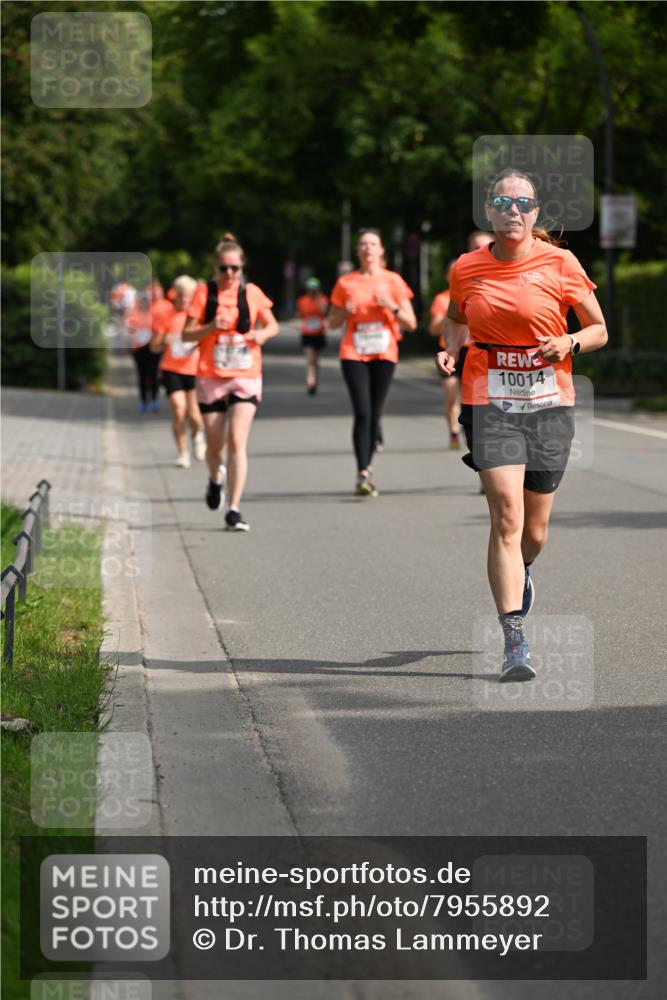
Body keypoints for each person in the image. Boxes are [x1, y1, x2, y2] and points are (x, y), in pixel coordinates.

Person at [436, 168, 607, 682]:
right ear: (488, 211)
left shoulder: (561, 262)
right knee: (507, 517)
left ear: (535, 213)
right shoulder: (467, 267)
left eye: (522, 203)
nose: (512, 210)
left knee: (534, 530)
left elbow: (598, 328)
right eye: (501, 201)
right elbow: (453, 317)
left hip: (550, 401)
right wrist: (449, 350)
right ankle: (514, 641)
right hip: (488, 396)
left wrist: (570, 342)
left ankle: (524, 570)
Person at [183, 233, 279, 531]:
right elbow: (187, 334)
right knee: (215, 446)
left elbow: (271, 324)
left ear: (242, 268)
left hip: (245, 374)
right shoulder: (203, 294)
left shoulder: (252, 293)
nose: (229, 274)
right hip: (211, 375)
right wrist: (211, 327)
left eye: (234, 269)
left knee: (237, 440)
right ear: (216, 268)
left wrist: (260, 335)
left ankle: (234, 508)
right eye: (224, 268)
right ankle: (215, 479)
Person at [327, 228, 416, 496]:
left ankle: (372, 443)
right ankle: (363, 472)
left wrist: (391, 305)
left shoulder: (393, 281)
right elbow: (330, 323)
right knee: (362, 412)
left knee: (375, 413)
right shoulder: (346, 283)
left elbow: (410, 323)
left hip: (384, 353)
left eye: (372, 244)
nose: (367, 248)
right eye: (363, 244)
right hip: (353, 352)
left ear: (381, 251)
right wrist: (344, 312)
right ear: (358, 251)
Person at [150, 275, 206, 468]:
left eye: (187, 296)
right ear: (175, 295)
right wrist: (164, 340)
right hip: (171, 369)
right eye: (180, 296)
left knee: (195, 416)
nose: (183, 300)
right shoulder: (167, 316)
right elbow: (153, 346)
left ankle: (198, 435)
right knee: (178, 409)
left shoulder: (197, 317)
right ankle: (183, 452)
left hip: (193, 369)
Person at [429, 260, 462, 449]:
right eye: (452, 272)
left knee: (469, 398)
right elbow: (433, 329)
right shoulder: (442, 299)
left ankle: (466, 425)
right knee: (451, 397)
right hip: (449, 352)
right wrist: (450, 315)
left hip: (471, 351)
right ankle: (453, 432)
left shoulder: (476, 294)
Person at [125, 291, 162, 413]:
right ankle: (143, 401)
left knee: (152, 374)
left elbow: (160, 330)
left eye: (147, 300)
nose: (144, 303)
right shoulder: (134, 315)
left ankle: (154, 400)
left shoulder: (154, 314)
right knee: (142, 374)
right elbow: (129, 331)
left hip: (152, 348)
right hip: (139, 349)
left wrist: (156, 341)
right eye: (142, 301)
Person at [296, 277, 328, 395]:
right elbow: (300, 314)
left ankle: (315, 378)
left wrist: (318, 299)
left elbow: (324, 312)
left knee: (315, 360)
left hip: (319, 333)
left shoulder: (322, 300)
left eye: (314, 289)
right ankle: (311, 382)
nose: (312, 292)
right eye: (310, 289)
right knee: (310, 359)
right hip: (307, 333)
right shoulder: (302, 301)